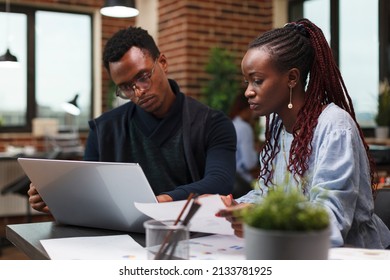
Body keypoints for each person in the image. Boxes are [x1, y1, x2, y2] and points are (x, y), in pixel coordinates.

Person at [216, 18, 390, 249]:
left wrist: (263, 216)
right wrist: (233, 205)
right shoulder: (278, 126)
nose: (248, 91)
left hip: (355, 256)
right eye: (247, 81)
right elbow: (268, 195)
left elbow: (331, 222)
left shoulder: (334, 127)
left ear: (292, 78)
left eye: (257, 81)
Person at [28, 26, 237, 213]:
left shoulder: (212, 123)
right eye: (126, 87)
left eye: (143, 77)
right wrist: (58, 201)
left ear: (162, 63)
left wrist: (161, 201)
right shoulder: (104, 130)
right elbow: (92, 191)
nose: (138, 92)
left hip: (190, 235)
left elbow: (220, 181)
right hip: (120, 237)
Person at [229, 92, 259, 198]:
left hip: (229, 182)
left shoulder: (231, 125)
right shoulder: (244, 128)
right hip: (244, 184)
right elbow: (249, 163)